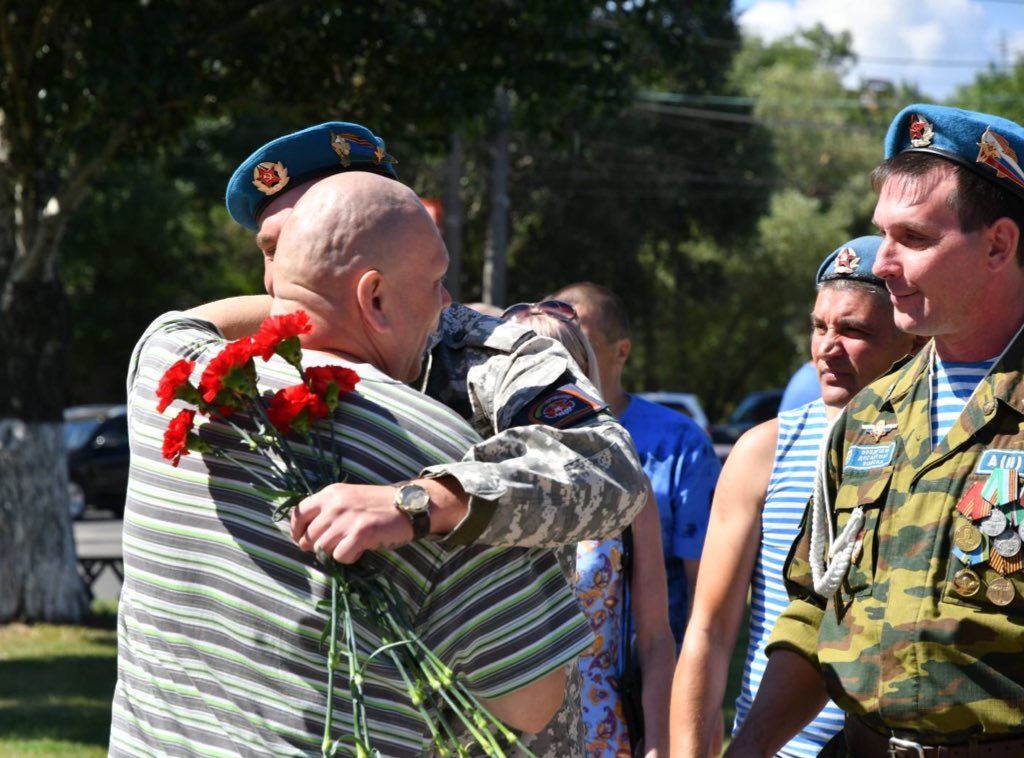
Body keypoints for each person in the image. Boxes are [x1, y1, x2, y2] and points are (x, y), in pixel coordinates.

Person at [110, 171, 595, 756]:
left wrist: (303, 291)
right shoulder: (440, 459)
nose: (447, 306)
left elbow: (195, 320)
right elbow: (531, 701)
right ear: (375, 297)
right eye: (436, 282)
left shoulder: (170, 374)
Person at [225, 123, 649, 756]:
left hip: (498, 732)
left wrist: (427, 501)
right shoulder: (233, 370)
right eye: (271, 248)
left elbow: (612, 471)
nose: (280, 274)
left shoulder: (486, 355)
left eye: (312, 234)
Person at [727, 104, 1024, 757]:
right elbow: (813, 612)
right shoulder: (868, 419)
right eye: (882, 234)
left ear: (1000, 244)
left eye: (913, 238)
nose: (882, 263)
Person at [671, 236, 923, 758]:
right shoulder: (765, 449)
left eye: (854, 330)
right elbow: (711, 630)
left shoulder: (939, 449)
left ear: (911, 340)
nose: (827, 347)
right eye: (819, 326)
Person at [502, 300, 676, 757]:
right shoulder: (470, 486)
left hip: (598, 732)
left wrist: (658, 743)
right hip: (489, 732)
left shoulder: (626, 490)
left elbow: (656, 639)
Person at [549, 282, 721, 649]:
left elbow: (704, 587)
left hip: (641, 677)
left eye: (584, 348)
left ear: (621, 352)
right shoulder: (527, 437)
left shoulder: (679, 444)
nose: (566, 361)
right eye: (555, 347)